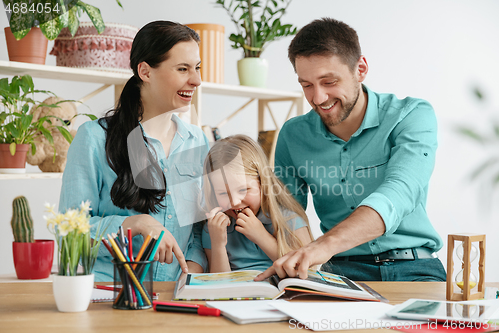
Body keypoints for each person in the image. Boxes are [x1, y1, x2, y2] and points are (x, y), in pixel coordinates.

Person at [256, 18, 446, 282]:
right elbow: (288, 212)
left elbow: (399, 192)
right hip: (342, 274)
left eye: (329, 81)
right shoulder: (293, 135)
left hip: (415, 267)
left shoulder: (411, 116)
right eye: (306, 85)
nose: (318, 98)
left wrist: (323, 246)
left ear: (361, 69)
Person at [59, 21, 209, 282]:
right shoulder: (94, 138)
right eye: (183, 69)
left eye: (196, 68)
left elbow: (200, 227)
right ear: (145, 72)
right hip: (111, 296)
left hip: (176, 296)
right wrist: (131, 224)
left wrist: (192, 269)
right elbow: (69, 231)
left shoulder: (198, 141)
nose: (196, 80)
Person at [201, 135, 313, 272]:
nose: (235, 202)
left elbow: (308, 272)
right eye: (223, 193)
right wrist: (218, 244)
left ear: (263, 184)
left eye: (243, 189)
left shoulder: (290, 220)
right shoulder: (213, 228)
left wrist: (261, 236)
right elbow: (219, 284)